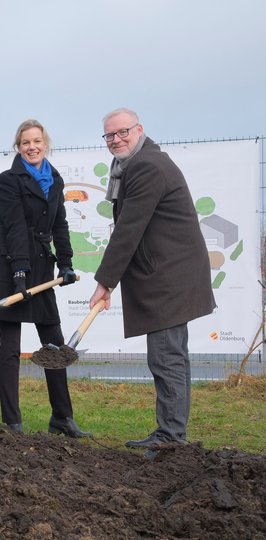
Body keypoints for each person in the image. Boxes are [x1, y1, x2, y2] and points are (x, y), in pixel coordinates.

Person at [89, 108, 215, 450]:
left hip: (169, 276)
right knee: (172, 355)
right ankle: (172, 432)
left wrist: (105, 282)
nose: (116, 140)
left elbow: (129, 229)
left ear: (139, 129)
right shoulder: (138, 164)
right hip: (169, 272)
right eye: (109, 135)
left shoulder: (146, 166)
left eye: (122, 132)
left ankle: (171, 436)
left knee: (165, 356)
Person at [0, 119, 89, 438]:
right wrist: (19, 273)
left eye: (37, 141)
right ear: (18, 147)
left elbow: (60, 226)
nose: (32, 147)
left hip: (40, 269)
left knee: (54, 345)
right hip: (8, 265)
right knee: (10, 348)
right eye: (26, 142)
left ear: (46, 143)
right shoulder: (7, 181)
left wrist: (65, 264)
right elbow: (13, 227)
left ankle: (62, 418)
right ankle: (12, 422)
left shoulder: (54, 180)